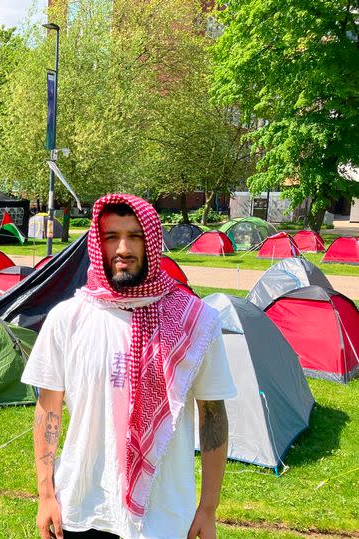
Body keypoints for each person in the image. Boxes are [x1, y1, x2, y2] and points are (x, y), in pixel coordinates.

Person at [21, 194, 235, 539]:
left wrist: (208, 508)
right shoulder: (68, 318)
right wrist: (46, 494)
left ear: (151, 242)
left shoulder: (196, 322)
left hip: (163, 517)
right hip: (82, 509)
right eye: (112, 237)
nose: (123, 248)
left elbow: (213, 414)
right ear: (97, 244)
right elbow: (48, 410)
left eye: (135, 236)